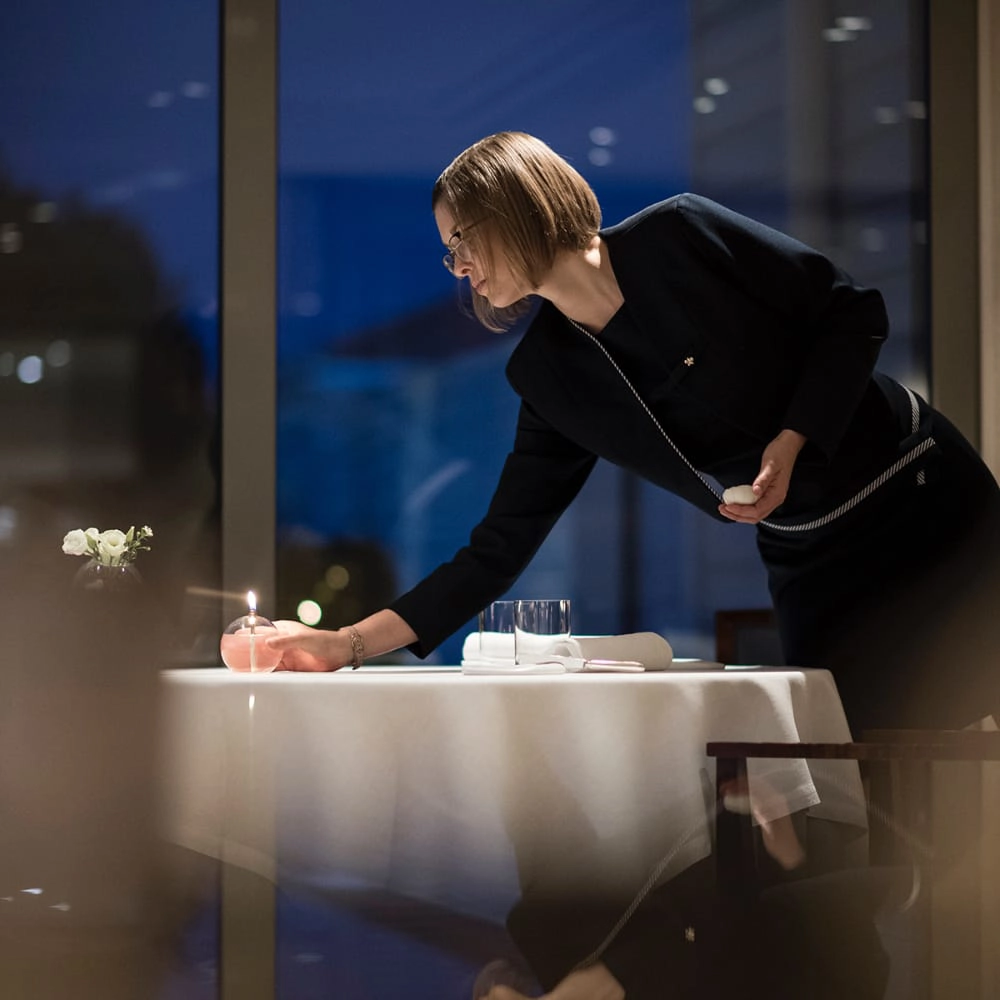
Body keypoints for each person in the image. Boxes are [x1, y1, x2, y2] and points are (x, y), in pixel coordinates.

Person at [267, 130, 1000, 735]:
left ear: (514, 207)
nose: (457, 267)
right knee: (850, 773)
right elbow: (495, 551)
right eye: (447, 251)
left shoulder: (681, 233)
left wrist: (793, 436)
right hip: (810, 552)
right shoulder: (549, 376)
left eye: (461, 239)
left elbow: (852, 311)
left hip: (918, 492)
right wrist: (346, 644)